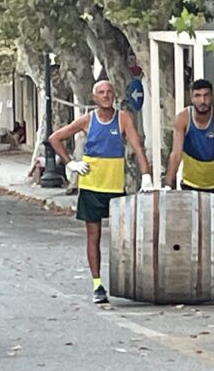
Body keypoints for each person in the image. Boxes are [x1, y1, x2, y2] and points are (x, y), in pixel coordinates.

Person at [49, 79, 153, 304]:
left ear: (114, 95)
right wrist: (70, 163)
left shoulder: (123, 118)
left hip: (115, 187)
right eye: (101, 92)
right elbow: (55, 138)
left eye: (109, 92)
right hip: (91, 187)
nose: (106, 96)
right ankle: (97, 284)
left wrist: (146, 177)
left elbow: (137, 147)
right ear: (94, 97)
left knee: (122, 238)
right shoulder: (88, 120)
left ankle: (127, 281)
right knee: (93, 236)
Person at [164, 79, 214, 194]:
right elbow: (176, 154)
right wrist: (167, 186)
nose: (202, 101)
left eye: (206, 95)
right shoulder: (183, 118)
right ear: (192, 98)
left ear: (211, 96)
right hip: (189, 184)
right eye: (198, 96)